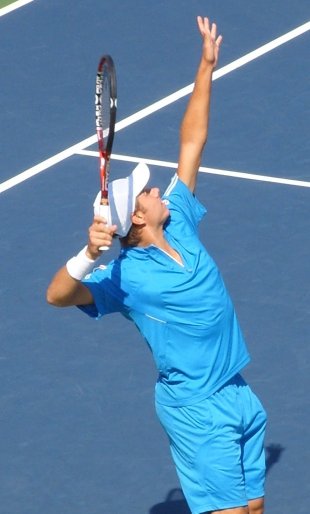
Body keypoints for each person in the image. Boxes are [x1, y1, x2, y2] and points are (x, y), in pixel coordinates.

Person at [47, 16, 267, 514]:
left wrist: (206, 67)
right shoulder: (125, 279)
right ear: (139, 221)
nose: (154, 188)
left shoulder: (181, 221)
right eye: (146, 192)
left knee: (253, 508)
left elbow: (192, 142)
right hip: (195, 410)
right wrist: (87, 255)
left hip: (235, 389)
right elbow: (56, 296)